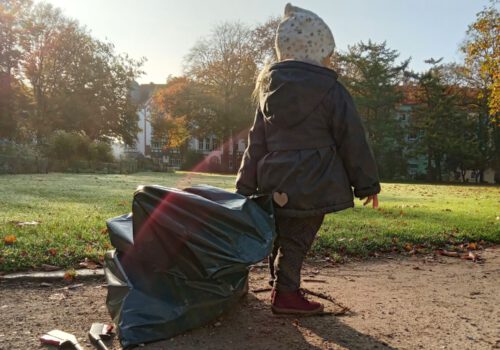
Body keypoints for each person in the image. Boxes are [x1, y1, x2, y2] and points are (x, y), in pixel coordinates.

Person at [235, 3, 380, 315]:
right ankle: (286, 294)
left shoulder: (267, 90)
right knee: (298, 240)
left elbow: (255, 143)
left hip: (274, 179)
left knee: (282, 234)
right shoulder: (331, 89)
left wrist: (245, 186)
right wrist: (366, 184)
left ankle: (281, 287)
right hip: (315, 180)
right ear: (321, 50)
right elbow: (351, 138)